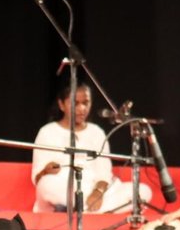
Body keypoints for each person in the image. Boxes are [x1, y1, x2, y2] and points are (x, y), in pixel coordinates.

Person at [30, 81, 150, 214]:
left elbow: (104, 173)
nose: (82, 108)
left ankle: (84, 211)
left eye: (86, 103)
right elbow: (37, 179)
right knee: (46, 184)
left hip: (92, 191)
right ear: (61, 104)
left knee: (143, 191)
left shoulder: (96, 132)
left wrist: (97, 193)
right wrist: (45, 171)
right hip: (63, 189)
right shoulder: (47, 131)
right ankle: (93, 211)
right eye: (75, 103)